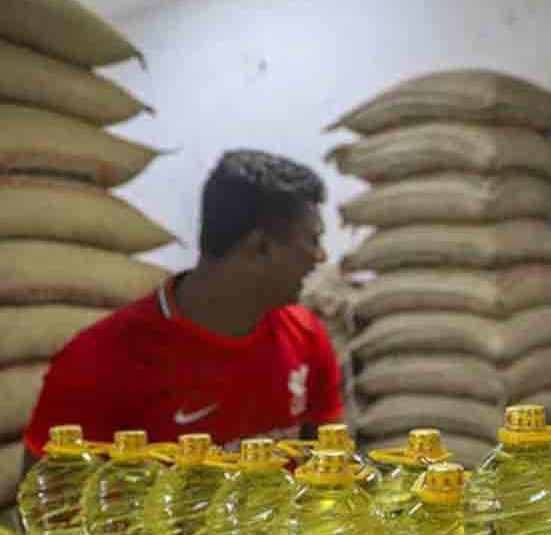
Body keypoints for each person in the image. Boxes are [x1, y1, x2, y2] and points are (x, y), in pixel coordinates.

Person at [23, 149, 343, 457]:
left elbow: (331, 466)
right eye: (312, 240)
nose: (321, 257)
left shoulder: (305, 337)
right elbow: (41, 502)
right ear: (259, 247)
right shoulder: (100, 362)